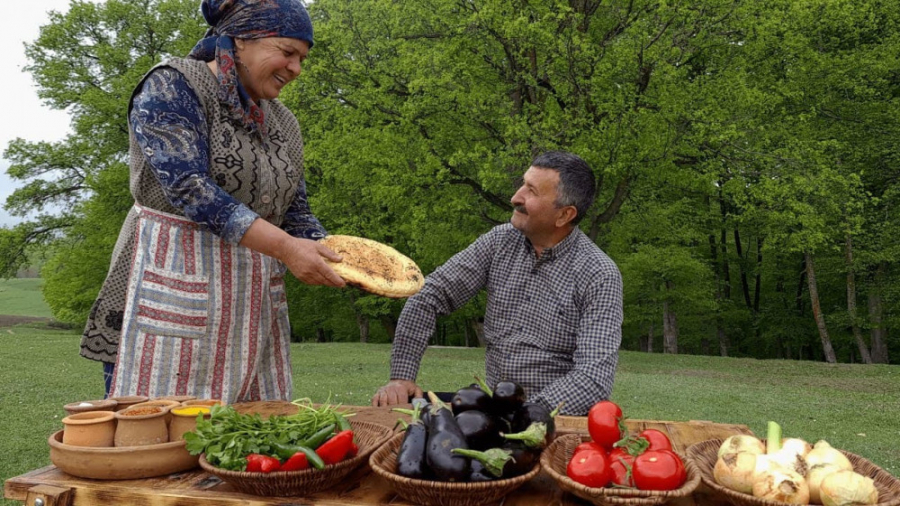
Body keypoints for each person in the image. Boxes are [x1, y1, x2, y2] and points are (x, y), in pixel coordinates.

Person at [79, 0, 346, 403]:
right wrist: (289, 249)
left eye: (302, 58)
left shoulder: (284, 121)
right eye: (287, 52)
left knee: (247, 437)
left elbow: (296, 209)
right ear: (240, 41)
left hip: (250, 304)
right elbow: (190, 189)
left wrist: (341, 256)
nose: (296, 69)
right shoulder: (173, 85)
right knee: (158, 435)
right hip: (169, 280)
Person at [371, 151, 623, 415]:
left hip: (556, 421)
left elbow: (593, 379)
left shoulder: (599, 274)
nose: (516, 197)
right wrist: (401, 376)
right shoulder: (499, 242)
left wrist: (525, 415)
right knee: (394, 413)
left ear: (564, 215)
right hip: (493, 407)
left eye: (532, 191)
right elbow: (428, 296)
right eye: (523, 183)